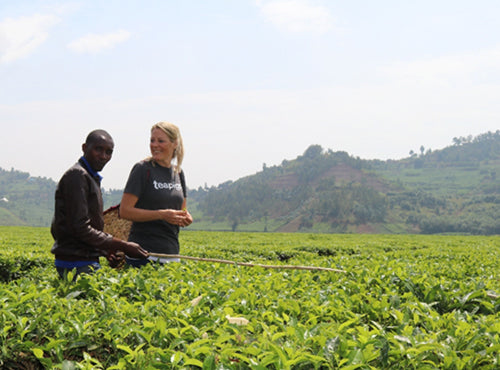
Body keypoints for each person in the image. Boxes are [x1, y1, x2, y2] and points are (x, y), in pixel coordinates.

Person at [51, 129, 149, 279]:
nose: (103, 156)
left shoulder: (89, 177)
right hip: (76, 264)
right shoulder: (77, 176)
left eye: (108, 152)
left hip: (83, 260)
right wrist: (122, 245)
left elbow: (62, 226)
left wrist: (104, 251)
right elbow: (79, 227)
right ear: (84, 148)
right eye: (98, 149)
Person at [119, 121, 193, 266]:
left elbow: (182, 210)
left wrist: (186, 217)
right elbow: (125, 211)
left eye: (161, 141)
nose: (154, 145)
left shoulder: (178, 172)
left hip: (171, 254)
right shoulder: (142, 169)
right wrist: (161, 214)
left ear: (174, 143)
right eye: (152, 140)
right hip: (143, 255)